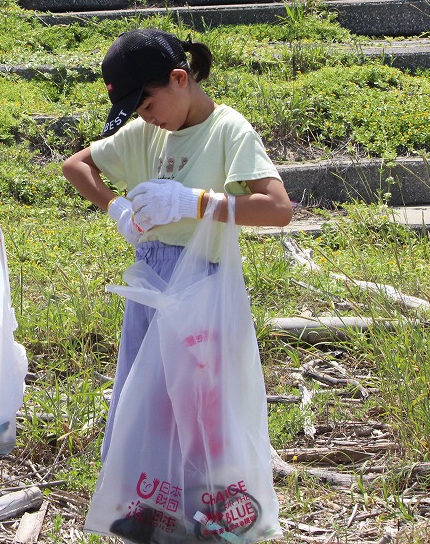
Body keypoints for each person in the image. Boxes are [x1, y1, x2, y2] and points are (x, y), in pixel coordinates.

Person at [61, 27, 292, 458]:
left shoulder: (227, 131)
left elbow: (278, 208)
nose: (146, 116)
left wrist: (197, 202)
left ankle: (205, 506)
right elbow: (76, 166)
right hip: (150, 284)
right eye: (137, 111)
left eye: (148, 104)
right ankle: (149, 508)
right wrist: (117, 210)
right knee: (147, 398)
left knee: (199, 405)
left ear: (180, 79)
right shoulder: (147, 135)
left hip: (200, 286)